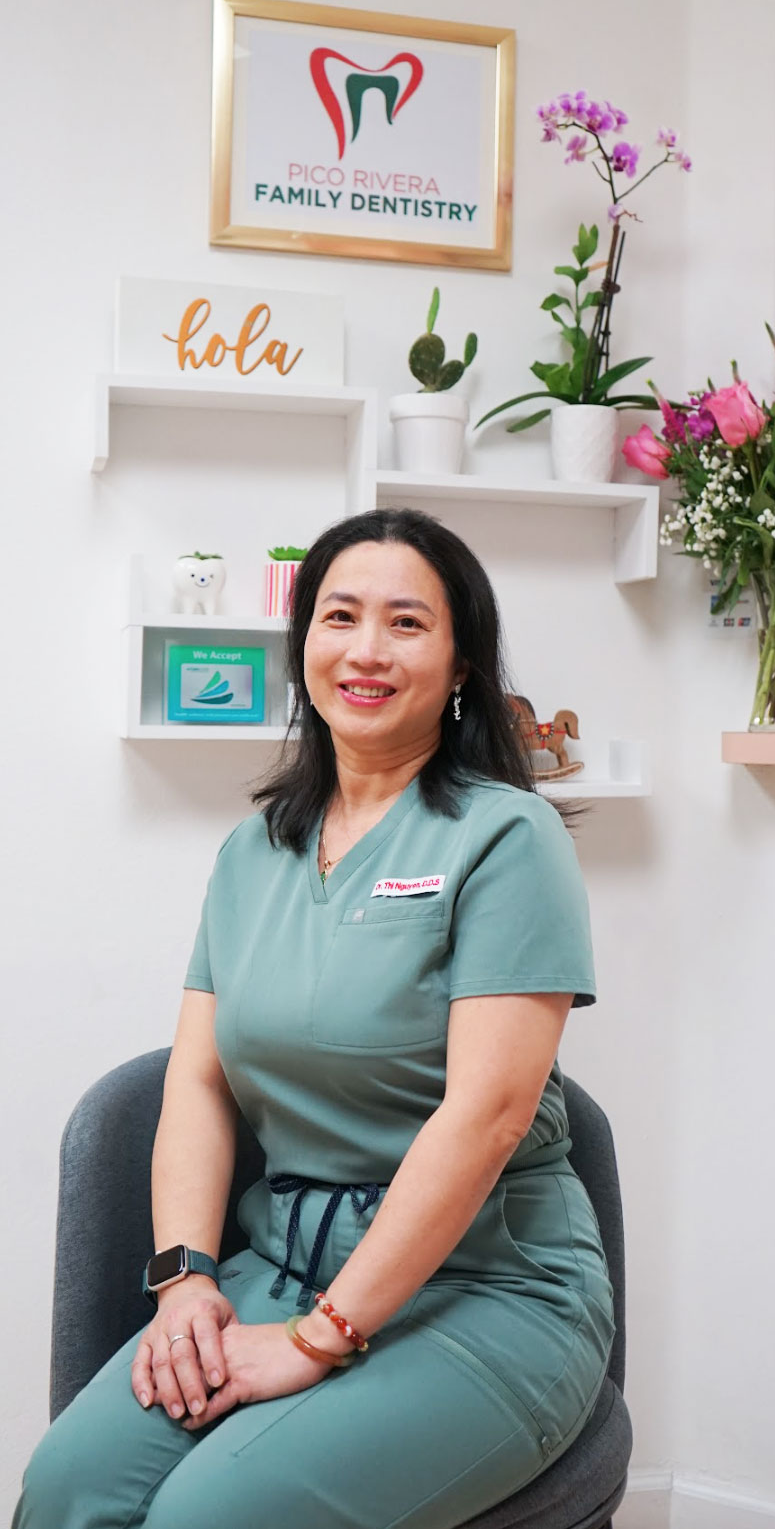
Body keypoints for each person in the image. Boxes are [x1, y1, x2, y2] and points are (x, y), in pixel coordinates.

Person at [15, 507, 616, 1529]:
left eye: (407, 623)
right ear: (304, 647)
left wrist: (319, 1338)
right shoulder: (253, 853)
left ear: (462, 663)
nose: (366, 650)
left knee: (207, 1517)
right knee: (68, 1489)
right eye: (339, 616)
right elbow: (197, 1082)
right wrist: (184, 1280)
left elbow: (487, 1117)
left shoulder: (507, 839)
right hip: (285, 1266)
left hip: (489, 1290)